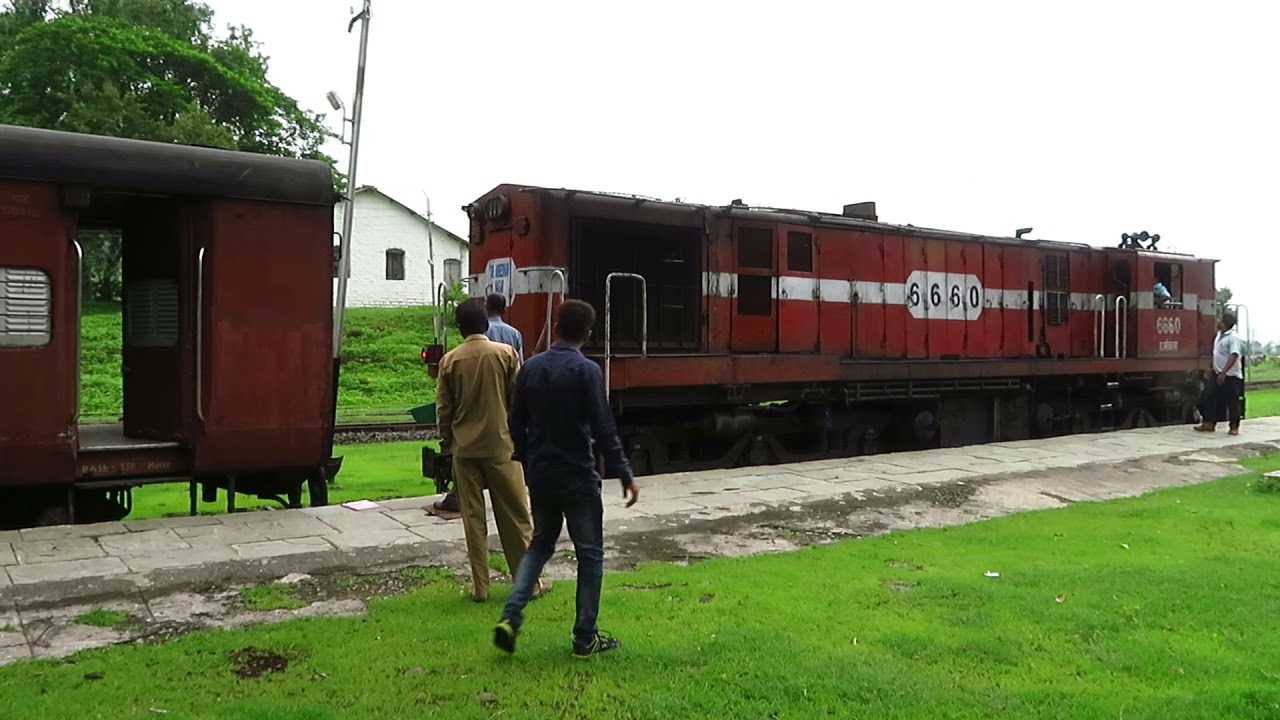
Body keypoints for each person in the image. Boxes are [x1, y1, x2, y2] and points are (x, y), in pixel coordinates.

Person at [493, 299, 640, 659]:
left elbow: (515, 421)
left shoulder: (531, 367)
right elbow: (604, 428)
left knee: (540, 545)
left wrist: (525, 457)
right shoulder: (587, 371)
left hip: (541, 474)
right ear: (587, 335)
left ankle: (512, 614)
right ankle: (585, 638)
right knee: (590, 556)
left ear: (556, 327)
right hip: (577, 476)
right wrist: (624, 473)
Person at [435, 299, 543, 602]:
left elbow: (444, 408)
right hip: (502, 446)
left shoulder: (450, 360)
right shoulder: (506, 354)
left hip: (465, 449)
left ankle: (481, 587)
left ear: (460, 328)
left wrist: (448, 439)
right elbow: (519, 400)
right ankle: (527, 584)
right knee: (516, 518)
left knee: (473, 520)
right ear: (485, 324)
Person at [1195, 311, 1244, 435]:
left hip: (1231, 375)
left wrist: (1224, 373)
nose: (1217, 321)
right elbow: (1216, 354)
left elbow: (1233, 355)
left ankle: (1234, 426)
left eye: (1220, 320)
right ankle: (1209, 422)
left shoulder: (1233, 338)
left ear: (1225, 323)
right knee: (1208, 397)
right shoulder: (1218, 335)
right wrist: (1211, 368)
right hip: (1216, 372)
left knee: (1231, 401)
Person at [484, 293, 524, 361]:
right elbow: (520, 361)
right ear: (504, 311)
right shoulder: (515, 333)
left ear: (486, 308)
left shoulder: (482, 331)